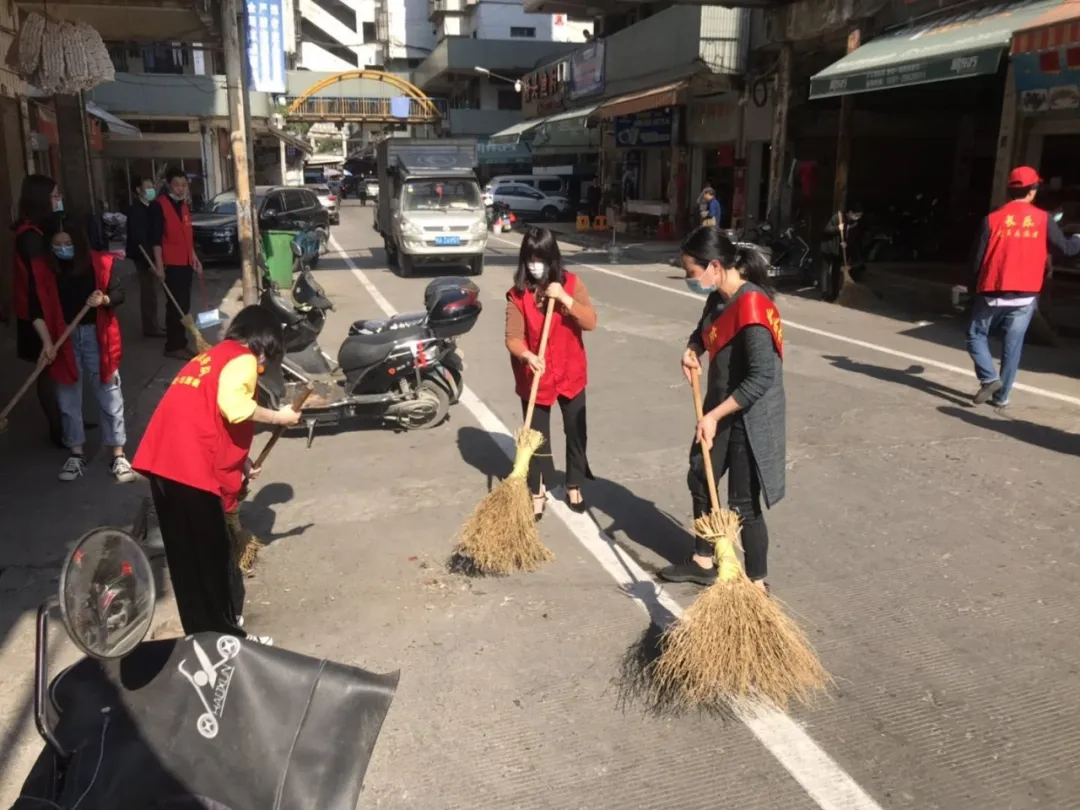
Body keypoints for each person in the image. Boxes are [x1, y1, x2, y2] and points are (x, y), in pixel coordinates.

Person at [132, 306, 302, 642]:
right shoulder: (243, 358)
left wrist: (241, 461)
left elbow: (208, 414)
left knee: (188, 563)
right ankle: (227, 641)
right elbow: (235, 408)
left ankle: (202, 637)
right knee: (212, 562)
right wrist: (280, 418)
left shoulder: (209, 358)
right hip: (190, 470)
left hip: (165, 467)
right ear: (265, 344)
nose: (266, 367)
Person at [659, 226, 786, 592]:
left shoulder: (753, 306)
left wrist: (714, 416)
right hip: (719, 405)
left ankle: (757, 583)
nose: (689, 279)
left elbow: (761, 378)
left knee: (742, 504)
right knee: (701, 477)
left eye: (691, 272)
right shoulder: (717, 297)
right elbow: (703, 330)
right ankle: (703, 558)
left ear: (714, 266)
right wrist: (692, 348)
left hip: (749, 415)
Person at [967, 166, 1080, 409]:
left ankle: (989, 378)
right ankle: (1002, 396)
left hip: (992, 291)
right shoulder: (1043, 219)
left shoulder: (991, 219)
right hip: (1025, 296)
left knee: (976, 334)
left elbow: (977, 260)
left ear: (1009, 190)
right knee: (1012, 345)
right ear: (1033, 191)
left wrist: (971, 288)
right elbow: (1068, 250)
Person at [27, 225, 133, 482]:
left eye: (67, 242)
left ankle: (117, 454)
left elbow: (118, 294)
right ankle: (76, 454)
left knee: (108, 392)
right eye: (57, 244)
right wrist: (47, 343)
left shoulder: (98, 263)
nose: (63, 248)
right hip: (63, 339)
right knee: (67, 397)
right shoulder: (43, 269)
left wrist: (104, 301)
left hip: (97, 335)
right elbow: (35, 310)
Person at [505, 227, 598, 519]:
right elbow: (513, 337)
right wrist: (527, 355)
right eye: (530, 259)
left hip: (570, 372)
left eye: (541, 259)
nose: (535, 265)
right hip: (535, 376)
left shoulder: (571, 283)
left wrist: (565, 300)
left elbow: (590, 321)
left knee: (575, 430)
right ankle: (538, 489)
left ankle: (574, 484)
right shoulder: (517, 295)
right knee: (536, 436)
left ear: (552, 258)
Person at [11, 174, 65, 447]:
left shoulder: (39, 231)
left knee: (56, 368)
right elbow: (36, 288)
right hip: (36, 315)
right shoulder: (30, 238)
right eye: (55, 196)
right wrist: (45, 334)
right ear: (41, 199)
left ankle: (67, 419)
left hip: (46, 310)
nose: (59, 200)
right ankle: (58, 428)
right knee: (46, 369)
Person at [150, 166, 202, 360]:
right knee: (175, 306)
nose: (181, 189)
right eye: (177, 185)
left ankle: (181, 342)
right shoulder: (159, 206)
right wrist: (159, 266)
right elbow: (156, 239)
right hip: (171, 265)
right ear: (169, 185)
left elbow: (187, 236)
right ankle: (173, 345)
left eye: (184, 185)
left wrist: (194, 258)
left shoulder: (184, 206)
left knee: (184, 304)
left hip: (186, 263)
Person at [126, 175, 165, 337]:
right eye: (147, 186)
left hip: (154, 254)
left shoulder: (152, 207)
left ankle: (153, 324)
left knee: (153, 292)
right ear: (138, 189)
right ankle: (150, 327)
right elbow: (139, 240)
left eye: (152, 186)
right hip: (143, 257)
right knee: (148, 292)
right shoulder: (136, 210)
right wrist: (151, 263)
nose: (151, 189)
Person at [819, 201, 866, 302]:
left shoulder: (852, 222)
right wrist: (837, 228)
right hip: (828, 248)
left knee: (836, 272)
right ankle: (824, 294)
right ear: (850, 212)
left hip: (838, 250)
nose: (857, 217)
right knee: (825, 271)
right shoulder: (838, 217)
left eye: (859, 216)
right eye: (856, 215)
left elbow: (849, 236)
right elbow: (826, 230)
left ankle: (835, 294)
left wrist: (846, 243)